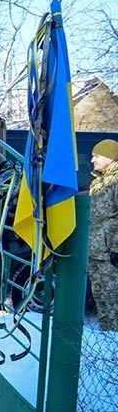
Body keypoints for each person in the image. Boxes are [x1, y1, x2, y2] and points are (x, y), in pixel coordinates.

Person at [89, 138, 118, 331]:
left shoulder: (115, 182)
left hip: (110, 254)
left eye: (97, 156)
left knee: (114, 300)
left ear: (111, 157)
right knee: (100, 298)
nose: (92, 160)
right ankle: (106, 339)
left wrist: (116, 248)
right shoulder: (98, 182)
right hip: (95, 251)